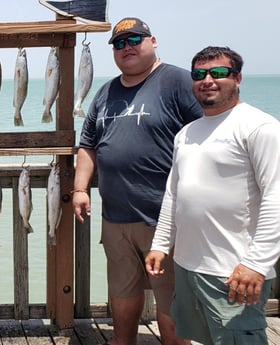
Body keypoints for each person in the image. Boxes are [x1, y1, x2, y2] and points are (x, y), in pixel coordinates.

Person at [72, 17, 204, 345]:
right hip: (116, 218)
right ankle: (123, 341)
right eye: (119, 44)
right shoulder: (105, 92)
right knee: (122, 289)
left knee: (171, 297)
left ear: (152, 41)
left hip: (165, 217)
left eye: (134, 40)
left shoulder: (177, 82)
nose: (127, 48)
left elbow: (209, 135)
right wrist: (80, 188)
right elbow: (87, 144)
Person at [145, 46, 280, 344]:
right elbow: (174, 193)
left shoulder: (260, 127)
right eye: (199, 74)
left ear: (238, 78)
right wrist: (161, 244)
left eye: (218, 73)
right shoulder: (186, 133)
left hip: (233, 271)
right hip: (188, 267)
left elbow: (276, 197)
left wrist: (256, 264)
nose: (208, 80)